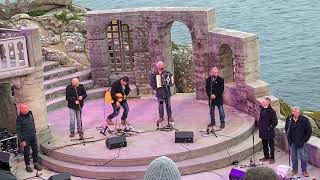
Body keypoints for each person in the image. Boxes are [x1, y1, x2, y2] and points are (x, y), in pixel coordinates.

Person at [285, 106, 312, 177]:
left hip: (301, 142)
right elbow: (286, 129)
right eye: (293, 111)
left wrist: (303, 141)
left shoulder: (305, 120)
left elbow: (309, 132)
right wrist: (289, 140)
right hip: (292, 142)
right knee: (293, 157)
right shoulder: (289, 119)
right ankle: (294, 169)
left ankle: (304, 170)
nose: (293, 113)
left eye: (295, 112)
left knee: (303, 157)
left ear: (299, 112)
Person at [16, 104, 42, 173]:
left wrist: (35, 133)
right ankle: (27, 165)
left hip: (33, 136)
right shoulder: (19, 118)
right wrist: (22, 140)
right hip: (25, 138)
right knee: (26, 152)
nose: (27, 109)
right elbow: (18, 130)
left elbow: (33, 123)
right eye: (25, 108)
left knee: (35, 150)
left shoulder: (30, 113)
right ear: (21, 110)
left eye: (27, 108)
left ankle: (35, 163)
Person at [150, 61, 174, 127]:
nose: (161, 67)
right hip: (159, 93)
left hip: (167, 92)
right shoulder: (154, 74)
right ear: (157, 67)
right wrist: (156, 88)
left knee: (168, 105)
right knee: (160, 106)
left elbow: (171, 81)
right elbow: (151, 83)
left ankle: (170, 117)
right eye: (160, 66)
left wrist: (170, 82)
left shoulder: (167, 73)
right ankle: (161, 117)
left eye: (162, 65)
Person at [258, 97, 278, 164]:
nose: (262, 103)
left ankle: (272, 158)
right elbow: (261, 119)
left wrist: (269, 128)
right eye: (262, 102)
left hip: (269, 132)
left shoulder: (272, 111)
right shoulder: (262, 109)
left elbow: (275, 122)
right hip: (263, 131)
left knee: (271, 145)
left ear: (268, 102)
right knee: (264, 144)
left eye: (263, 102)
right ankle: (266, 156)